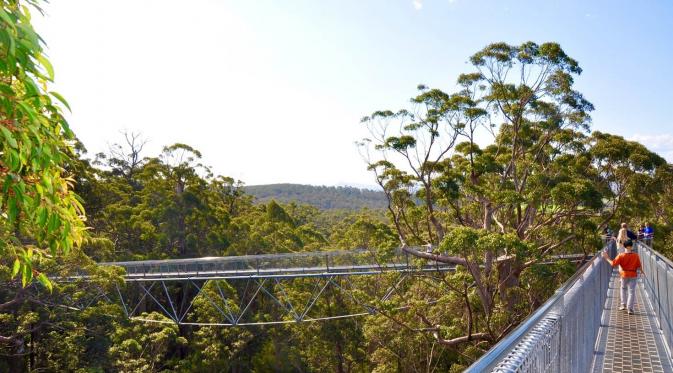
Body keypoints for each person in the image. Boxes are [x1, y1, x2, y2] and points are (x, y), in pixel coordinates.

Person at [601, 239, 643, 315]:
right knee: (632, 292)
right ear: (631, 246)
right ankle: (630, 308)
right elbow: (639, 266)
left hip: (624, 275)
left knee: (623, 289)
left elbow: (613, 264)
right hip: (633, 275)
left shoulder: (621, 255)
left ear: (624, 246)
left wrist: (606, 258)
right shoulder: (636, 256)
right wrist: (642, 272)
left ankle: (623, 304)